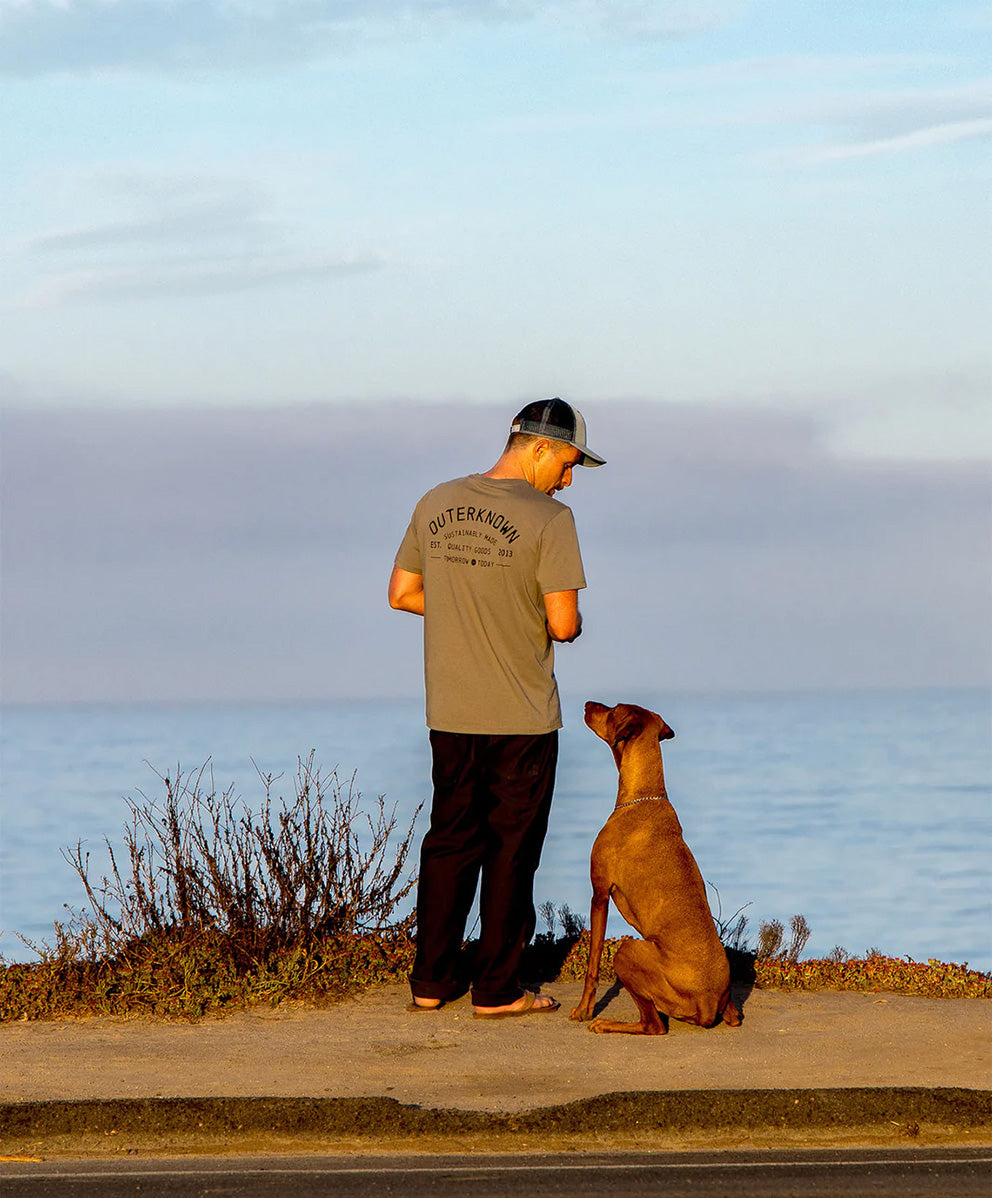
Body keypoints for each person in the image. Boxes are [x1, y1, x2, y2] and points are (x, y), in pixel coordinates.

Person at [388, 397, 605, 1018]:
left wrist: (466, 605)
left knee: (449, 842)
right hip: (521, 716)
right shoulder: (551, 519)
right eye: (567, 465)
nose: (567, 481)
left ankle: (431, 982)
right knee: (512, 850)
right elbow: (562, 625)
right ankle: (497, 990)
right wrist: (544, 616)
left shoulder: (435, 501)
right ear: (540, 448)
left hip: (451, 710)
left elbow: (402, 593)